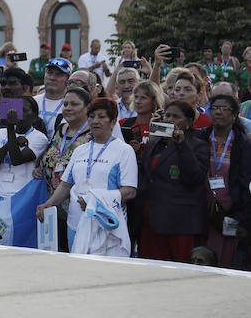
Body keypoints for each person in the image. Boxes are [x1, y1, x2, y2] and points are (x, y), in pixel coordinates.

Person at [38, 97, 137, 256]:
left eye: (101, 116)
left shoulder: (124, 151)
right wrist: (48, 204)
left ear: (113, 121)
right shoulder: (80, 150)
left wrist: (94, 201)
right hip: (75, 224)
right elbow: (65, 185)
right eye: (91, 117)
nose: (95, 121)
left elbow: (129, 191)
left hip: (106, 226)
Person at [137, 100, 208, 263]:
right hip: (151, 222)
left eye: (176, 116)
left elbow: (194, 178)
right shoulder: (154, 143)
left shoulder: (198, 146)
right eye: (167, 115)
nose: (169, 119)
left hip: (179, 224)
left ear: (189, 122)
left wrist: (182, 144)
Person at [35, 87, 93, 251]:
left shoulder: (92, 135)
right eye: (65, 104)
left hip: (77, 208)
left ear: (87, 107)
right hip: (52, 207)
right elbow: (51, 155)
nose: (68, 108)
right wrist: (41, 167)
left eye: (74, 104)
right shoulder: (60, 130)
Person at [198, 94, 251, 269]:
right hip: (202, 212)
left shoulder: (243, 145)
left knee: (228, 261)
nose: (218, 112)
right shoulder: (200, 139)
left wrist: (243, 218)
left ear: (235, 114)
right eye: (215, 108)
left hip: (232, 214)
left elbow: (245, 184)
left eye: (224, 108)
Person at [0, 96, 48, 198]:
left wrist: (10, 127)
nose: (19, 115)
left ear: (34, 116)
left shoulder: (39, 138)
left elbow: (17, 160)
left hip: (22, 197)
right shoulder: (1, 133)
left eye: (24, 110)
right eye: (17, 111)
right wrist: (9, 144)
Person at [34, 58, 71, 134]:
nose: (52, 78)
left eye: (59, 74)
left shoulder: (71, 106)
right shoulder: (31, 102)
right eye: (49, 73)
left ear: (68, 80)